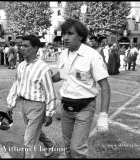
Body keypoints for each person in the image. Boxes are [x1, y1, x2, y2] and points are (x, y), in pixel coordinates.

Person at [52, 19, 110, 158]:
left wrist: (103, 115)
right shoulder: (62, 55)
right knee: (67, 146)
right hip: (66, 106)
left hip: (84, 107)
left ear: (81, 36)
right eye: (64, 33)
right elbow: (62, 74)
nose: (65, 37)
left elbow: (105, 86)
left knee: (77, 149)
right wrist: (45, 77)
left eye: (70, 33)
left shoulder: (92, 56)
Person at [6, 35, 57, 158]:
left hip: (37, 106)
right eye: (21, 46)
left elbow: (50, 93)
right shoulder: (21, 66)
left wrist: (49, 113)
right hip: (23, 104)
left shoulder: (43, 68)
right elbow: (16, 84)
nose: (22, 48)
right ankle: (50, 144)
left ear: (35, 48)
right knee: (34, 131)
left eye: (25, 46)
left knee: (28, 140)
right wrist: (10, 103)